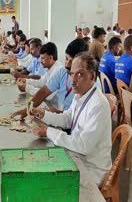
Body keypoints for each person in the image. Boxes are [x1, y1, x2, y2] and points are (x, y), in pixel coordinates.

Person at [31, 52, 112, 186]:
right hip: (78, 156)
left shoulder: (98, 105)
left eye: (79, 74)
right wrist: (43, 114)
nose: (73, 80)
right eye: (71, 74)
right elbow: (68, 119)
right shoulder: (80, 95)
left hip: (91, 168)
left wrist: (49, 132)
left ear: (92, 76)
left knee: (47, 184)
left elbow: (83, 145)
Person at [11, 39, 89, 118]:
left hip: (70, 122)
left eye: (71, 61)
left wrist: (27, 87)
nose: (67, 65)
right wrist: (27, 110)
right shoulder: (62, 72)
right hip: (61, 117)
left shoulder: (89, 82)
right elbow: (44, 91)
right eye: (66, 59)